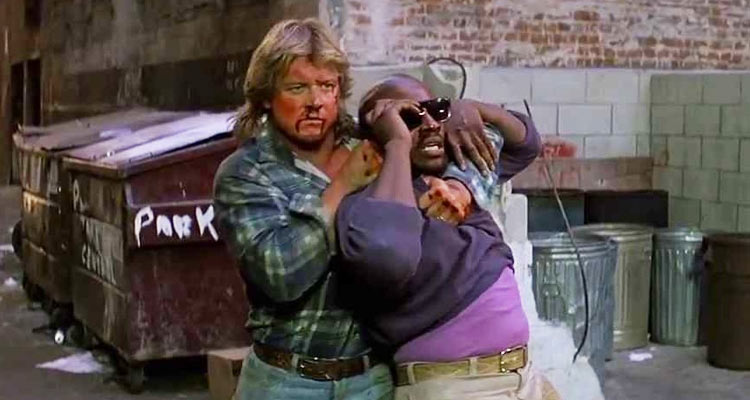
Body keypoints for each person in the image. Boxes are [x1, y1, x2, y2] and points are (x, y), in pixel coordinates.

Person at [213, 19, 495, 399]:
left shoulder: (371, 141)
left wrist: (461, 184)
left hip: (372, 377)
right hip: (286, 380)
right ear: (266, 96)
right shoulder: (246, 172)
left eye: (326, 86)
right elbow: (280, 275)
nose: (315, 102)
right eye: (297, 88)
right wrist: (343, 185)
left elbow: (486, 151)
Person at [335, 74, 560, 400]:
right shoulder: (365, 207)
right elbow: (391, 255)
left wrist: (467, 109)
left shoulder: (457, 176)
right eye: (409, 118)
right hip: (457, 385)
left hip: (522, 377)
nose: (430, 124)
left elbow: (525, 144)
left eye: (435, 110)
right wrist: (397, 144)